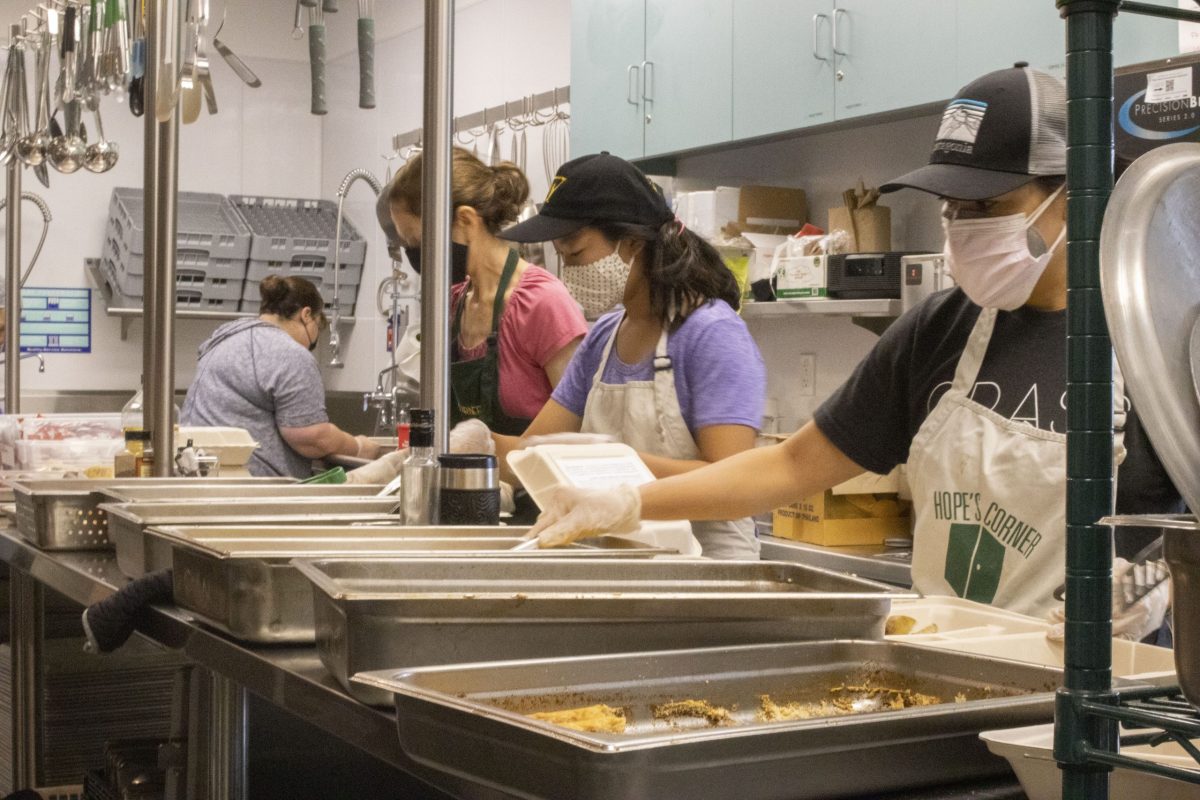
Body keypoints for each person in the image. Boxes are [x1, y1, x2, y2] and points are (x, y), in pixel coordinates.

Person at [526, 66, 1181, 626]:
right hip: (961, 673)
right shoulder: (940, 332)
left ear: (1076, 192)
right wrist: (629, 501)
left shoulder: (1158, 332)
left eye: (987, 205)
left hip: (1110, 706)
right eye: (953, 208)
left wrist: (1162, 586)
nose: (962, 228)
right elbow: (788, 468)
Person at [474, 151, 768, 560]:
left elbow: (735, 484)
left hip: (705, 571)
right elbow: (531, 455)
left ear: (631, 242)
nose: (568, 271)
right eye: (561, 257)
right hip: (621, 563)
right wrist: (475, 447)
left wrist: (613, 464)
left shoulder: (711, 334)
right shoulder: (604, 338)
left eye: (575, 254)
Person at [385, 148, 587, 435]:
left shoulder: (542, 303)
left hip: (533, 480)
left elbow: (580, 428)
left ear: (466, 220)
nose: (416, 256)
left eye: (418, 241)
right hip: (466, 479)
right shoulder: (454, 304)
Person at [181, 275, 380, 477]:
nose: (312, 344)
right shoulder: (289, 353)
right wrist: (357, 446)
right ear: (307, 315)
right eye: (318, 327)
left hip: (196, 474)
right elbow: (311, 438)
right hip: (250, 488)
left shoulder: (224, 339)